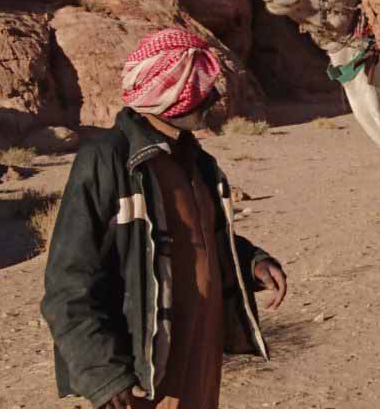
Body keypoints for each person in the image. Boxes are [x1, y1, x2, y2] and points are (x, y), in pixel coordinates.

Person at [41, 28, 286, 409]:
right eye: (201, 89)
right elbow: (68, 279)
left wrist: (251, 261)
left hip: (199, 356)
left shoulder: (196, 161)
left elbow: (200, 239)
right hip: (144, 370)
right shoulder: (108, 160)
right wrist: (104, 374)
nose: (215, 97)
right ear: (170, 93)